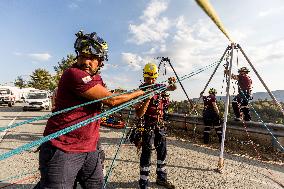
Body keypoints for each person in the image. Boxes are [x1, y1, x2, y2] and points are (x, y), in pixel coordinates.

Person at [34, 30, 145, 189]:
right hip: (63, 148)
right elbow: (112, 100)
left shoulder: (97, 79)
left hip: (90, 148)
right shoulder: (73, 74)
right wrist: (139, 93)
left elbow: (108, 96)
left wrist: (132, 101)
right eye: (82, 56)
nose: (86, 61)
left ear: (100, 62)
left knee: (96, 185)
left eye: (92, 58)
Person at [134, 62, 177, 189]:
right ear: (144, 77)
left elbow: (172, 88)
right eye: (148, 78)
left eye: (153, 77)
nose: (151, 80)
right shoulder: (140, 90)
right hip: (147, 125)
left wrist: (173, 82)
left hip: (160, 125)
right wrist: (148, 97)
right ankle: (144, 182)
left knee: (162, 152)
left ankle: (161, 178)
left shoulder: (159, 87)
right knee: (146, 154)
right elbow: (139, 113)